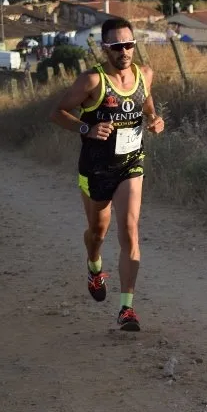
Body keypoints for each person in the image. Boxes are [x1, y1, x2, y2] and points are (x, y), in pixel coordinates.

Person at [49, 17, 164, 331]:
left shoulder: (145, 74)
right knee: (98, 232)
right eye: (116, 46)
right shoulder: (92, 80)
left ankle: (127, 308)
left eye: (128, 44)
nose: (123, 51)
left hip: (131, 163)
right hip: (96, 167)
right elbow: (57, 112)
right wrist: (85, 128)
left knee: (129, 229)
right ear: (105, 48)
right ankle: (94, 265)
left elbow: (146, 102)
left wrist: (154, 119)